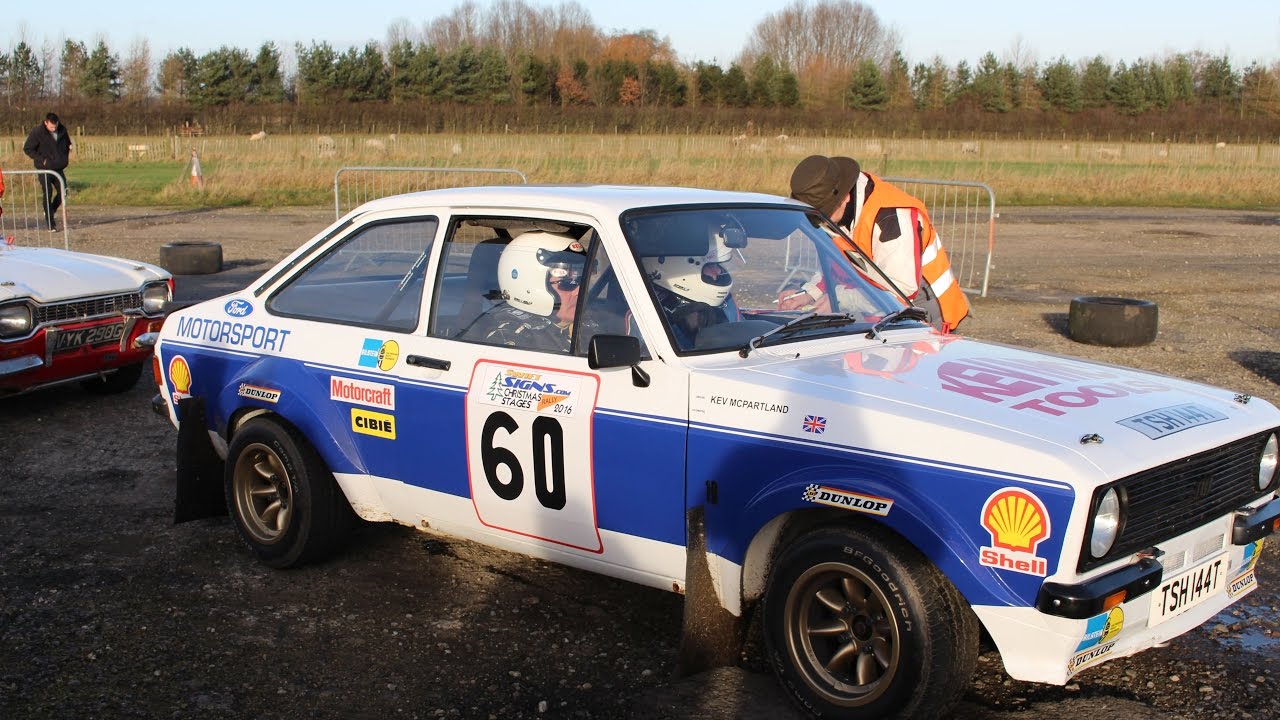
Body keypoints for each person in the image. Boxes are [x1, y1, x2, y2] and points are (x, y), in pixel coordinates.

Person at [785, 154, 971, 332]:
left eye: (825, 212)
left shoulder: (891, 218)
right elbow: (837, 264)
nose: (821, 222)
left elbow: (900, 291)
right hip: (880, 307)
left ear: (845, 196)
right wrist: (809, 293)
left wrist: (838, 299)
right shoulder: (836, 212)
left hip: (925, 311)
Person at [461, 230, 590, 353]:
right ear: (528, 283)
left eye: (580, 280)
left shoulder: (589, 325)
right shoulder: (511, 339)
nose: (579, 291)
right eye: (567, 283)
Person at [642, 224, 738, 350]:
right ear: (680, 268)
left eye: (718, 265)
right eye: (711, 266)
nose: (719, 271)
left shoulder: (725, 303)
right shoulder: (652, 319)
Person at [23, 112, 73, 232]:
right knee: (48, 193)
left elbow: (67, 143)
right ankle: (51, 224)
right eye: (51, 127)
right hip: (44, 168)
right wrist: (42, 160)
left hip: (58, 167)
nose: (53, 129)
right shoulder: (37, 132)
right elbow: (28, 148)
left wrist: (67, 150)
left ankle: (51, 209)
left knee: (63, 192)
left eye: (55, 126)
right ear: (46, 123)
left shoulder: (62, 130)